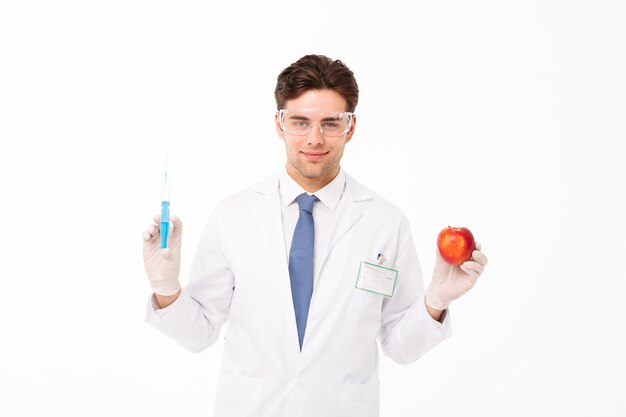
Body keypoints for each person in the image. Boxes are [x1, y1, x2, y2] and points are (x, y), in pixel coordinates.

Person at [142, 54, 488, 417]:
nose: (315, 138)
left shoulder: (385, 222)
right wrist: (166, 289)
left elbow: (401, 347)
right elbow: (199, 335)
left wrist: (435, 300)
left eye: (330, 123)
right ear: (279, 123)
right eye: (300, 121)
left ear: (350, 127)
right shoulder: (233, 215)